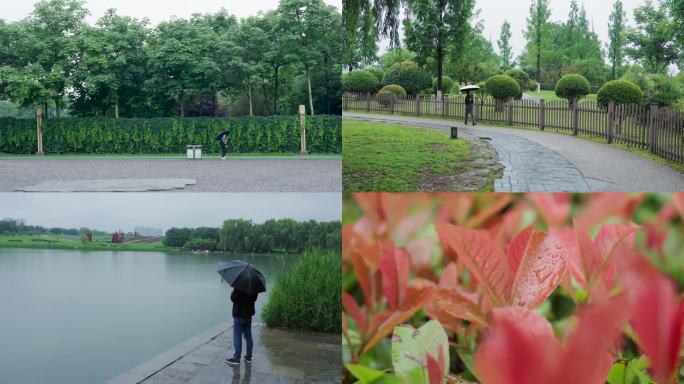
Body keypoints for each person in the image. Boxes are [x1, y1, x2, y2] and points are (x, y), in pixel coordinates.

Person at [225, 288, 258, 366]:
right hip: (248, 315)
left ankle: (236, 359)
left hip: (239, 314)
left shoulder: (239, 286)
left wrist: (233, 291)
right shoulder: (254, 286)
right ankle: (248, 357)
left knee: (237, 336)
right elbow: (254, 299)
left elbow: (233, 298)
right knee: (248, 336)